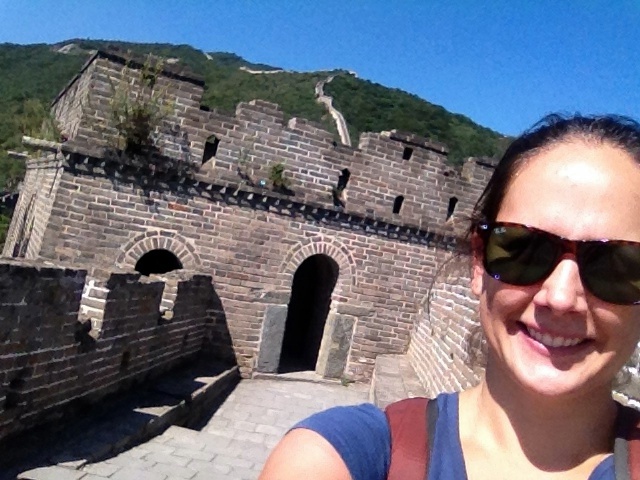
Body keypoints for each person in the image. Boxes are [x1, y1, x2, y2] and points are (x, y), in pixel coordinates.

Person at [259, 114, 640, 480]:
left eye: (616, 265)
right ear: (478, 262)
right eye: (524, 249)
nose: (560, 297)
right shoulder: (340, 455)